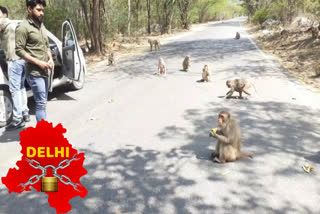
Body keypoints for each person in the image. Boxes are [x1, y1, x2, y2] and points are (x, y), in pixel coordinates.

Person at [15, 0, 54, 122]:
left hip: (44, 71)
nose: (41, 13)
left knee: (43, 103)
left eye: (43, 10)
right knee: (41, 103)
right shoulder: (23, 27)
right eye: (38, 10)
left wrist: (50, 59)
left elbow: (46, 45)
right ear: (29, 9)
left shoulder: (41, 25)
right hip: (34, 72)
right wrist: (39, 62)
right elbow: (19, 50)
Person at [0, 6, 30, 131]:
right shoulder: (16, 24)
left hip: (13, 60)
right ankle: (25, 113)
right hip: (23, 59)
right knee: (21, 87)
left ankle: (18, 119)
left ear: (4, 14)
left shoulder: (3, 22)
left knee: (14, 90)